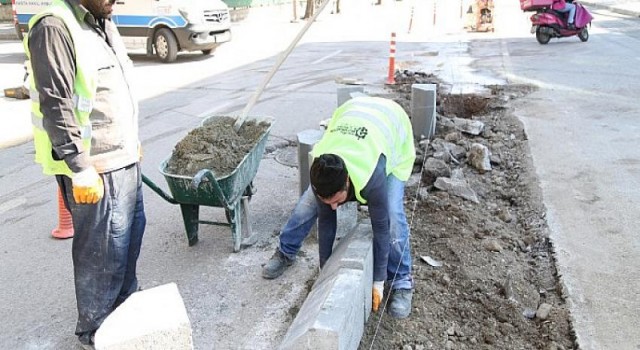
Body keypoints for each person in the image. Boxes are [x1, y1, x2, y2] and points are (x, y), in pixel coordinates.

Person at [25, 0, 145, 348]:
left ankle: (124, 316)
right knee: (102, 255)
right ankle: (95, 332)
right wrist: (80, 168)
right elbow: (56, 104)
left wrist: (132, 141)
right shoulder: (54, 27)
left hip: (122, 160)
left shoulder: (99, 20)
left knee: (127, 243)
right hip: (95, 170)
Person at [262, 96, 416, 319]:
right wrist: (325, 272)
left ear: (347, 182)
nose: (333, 207)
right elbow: (326, 223)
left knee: (392, 213)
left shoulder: (371, 177)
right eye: (328, 201)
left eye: (336, 200)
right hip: (352, 115)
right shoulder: (322, 173)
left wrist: (378, 282)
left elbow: (380, 231)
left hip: (393, 129)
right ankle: (286, 251)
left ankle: (402, 281)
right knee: (307, 204)